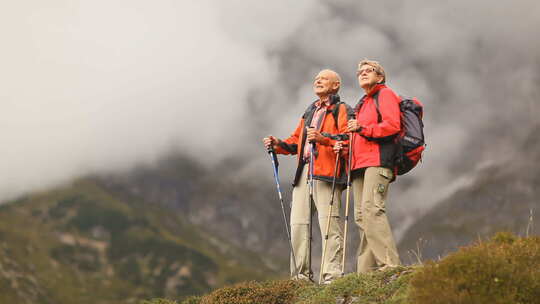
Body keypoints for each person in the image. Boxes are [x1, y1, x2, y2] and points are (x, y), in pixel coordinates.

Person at [263, 69, 349, 283]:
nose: (317, 81)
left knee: (329, 224)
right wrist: (278, 144)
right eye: (316, 79)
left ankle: (332, 276)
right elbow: (295, 142)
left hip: (328, 173)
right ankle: (301, 278)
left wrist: (323, 138)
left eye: (323, 79)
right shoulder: (310, 111)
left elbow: (348, 138)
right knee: (299, 225)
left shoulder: (342, 110)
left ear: (336, 85)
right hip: (304, 173)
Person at [334, 59, 401, 273]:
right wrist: (344, 148)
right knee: (362, 217)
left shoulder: (385, 94)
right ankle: (366, 272)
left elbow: (392, 126)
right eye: (359, 72)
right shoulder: (363, 103)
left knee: (373, 210)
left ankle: (390, 265)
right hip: (359, 166)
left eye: (368, 71)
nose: (362, 73)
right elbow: (360, 138)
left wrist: (363, 128)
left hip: (378, 161)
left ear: (380, 77)